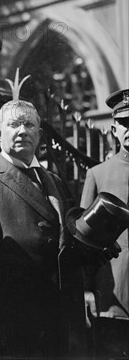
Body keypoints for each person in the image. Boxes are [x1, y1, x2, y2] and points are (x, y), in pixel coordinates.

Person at [0, 100, 76, 357]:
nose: (22, 131)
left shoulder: (54, 181)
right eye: (14, 124)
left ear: (39, 132)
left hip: (58, 313)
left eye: (29, 124)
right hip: (14, 320)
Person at [80, 88, 129, 358]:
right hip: (112, 292)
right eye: (125, 123)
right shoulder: (97, 174)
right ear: (114, 129)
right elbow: (85, 241)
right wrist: (87, 288)